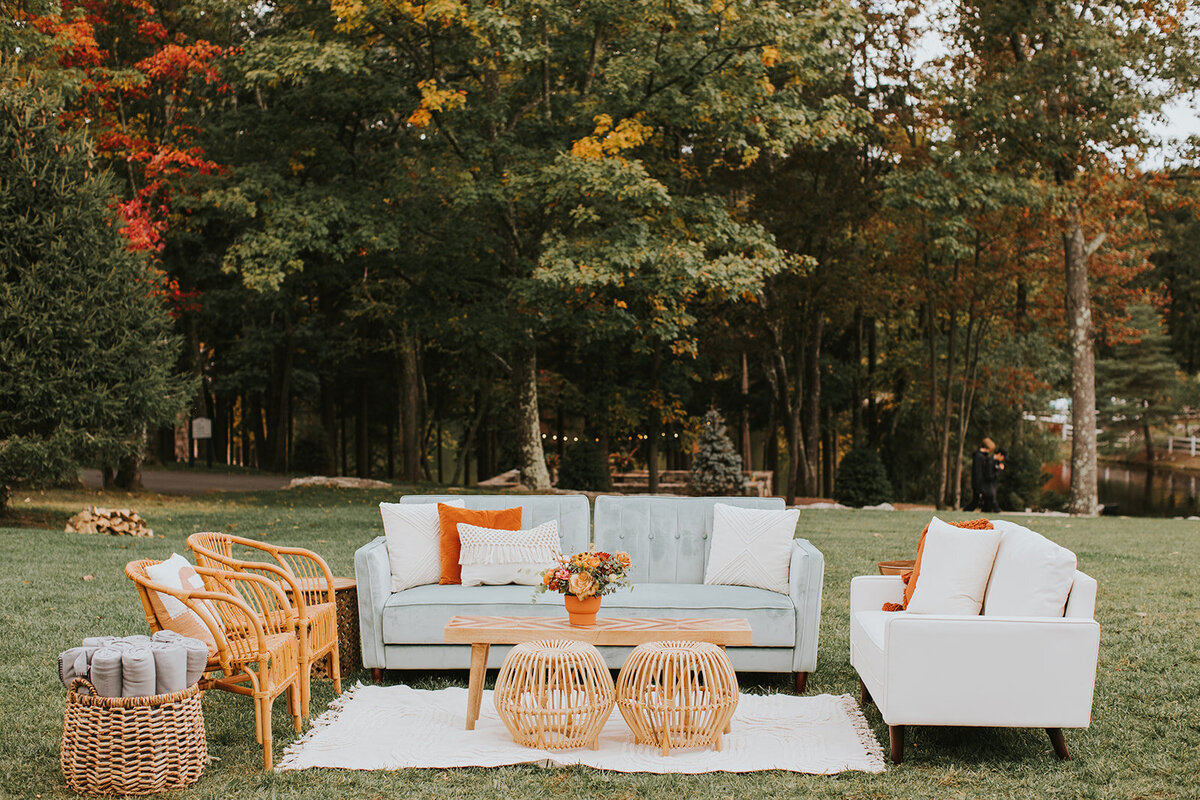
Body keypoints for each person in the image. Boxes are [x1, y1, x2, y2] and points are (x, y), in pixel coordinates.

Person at [968, 438, 1001, 512]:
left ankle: (986, 511)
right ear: (987, 448)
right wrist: (978, 487)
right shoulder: (978, 457)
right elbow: (977, 473)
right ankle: (966, 511)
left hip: (982, 484)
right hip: (978, 483)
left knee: (981, 501)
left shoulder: (984, 457)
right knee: (975, 502)